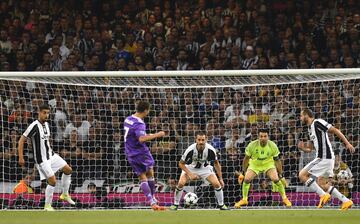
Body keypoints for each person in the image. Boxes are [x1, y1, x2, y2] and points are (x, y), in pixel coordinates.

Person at [18, 104, 75, 211]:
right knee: (52, 181)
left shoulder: (47, 125)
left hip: (51, 155)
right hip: (42, 160)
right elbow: (21, 140)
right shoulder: (34, 125)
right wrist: (21, 157)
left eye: (48, 113)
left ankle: (65, 194)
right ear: (39, 113)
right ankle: (47, 206)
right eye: (44, 112)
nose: (46, 115)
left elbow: (46, 141)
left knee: (68, 170)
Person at [298, 108, 355, 210]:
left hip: (324, 157)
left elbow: (335, 130)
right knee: (322, 184)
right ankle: (346, 201)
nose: (300, 118)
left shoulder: (317, 122)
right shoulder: (309, 128)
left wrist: (347, 143)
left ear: (307, 115)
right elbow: (310, 149)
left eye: (301, 115)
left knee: (302, 175)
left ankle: (323, 195)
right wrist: (303, 148)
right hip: (325, 158)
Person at [170, 131, 230, 210]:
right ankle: (175, 204)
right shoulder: (190, 150)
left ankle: (221, 205)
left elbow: (216, 164)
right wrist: (190, 174)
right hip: (190, 167)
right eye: (199, 140)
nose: (201, 142)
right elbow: (181, 164)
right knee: (181, 183)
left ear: (206, 139)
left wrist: (221, 178)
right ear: (196, 140)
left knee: (217, 184)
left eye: (202, 140)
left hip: (205, 168)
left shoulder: (211, 150)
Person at [124, 101, 166, 211]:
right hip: (140, 152)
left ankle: (152, 200)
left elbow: (135, 135)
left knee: (143, 176)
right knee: (150, 173)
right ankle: (152, 199)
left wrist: (149, 135)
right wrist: (158, 134)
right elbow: (141, 139)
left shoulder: (128, 119)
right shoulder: (140, 123)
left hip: (130, 152)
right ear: (146, 110)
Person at [234, 128, 292, 208]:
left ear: (268, 137)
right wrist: (243, 173)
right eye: (261, 136)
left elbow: (277, 161)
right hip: (255, 164)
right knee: (247, 179)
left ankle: (285, 199)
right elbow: (246, 159)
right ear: (258, 137)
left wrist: (281, 174)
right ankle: (244, 199)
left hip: (268, 164)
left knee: (275, 179)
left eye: (265, 136)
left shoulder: (272, 145)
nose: (263, 138)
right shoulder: (252, 145)